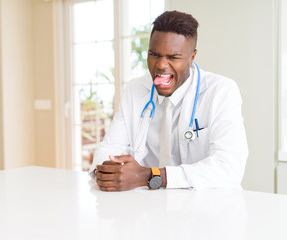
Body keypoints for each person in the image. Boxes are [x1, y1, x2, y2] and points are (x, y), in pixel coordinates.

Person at [89, 10, 248, 191]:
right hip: (147, 207)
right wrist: (109, 171)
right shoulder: (135, 90)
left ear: (192, 57)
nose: (161, 65)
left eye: (173, 57)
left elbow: (229, 168)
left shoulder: (221, 91)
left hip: (205, 209)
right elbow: (108, 150)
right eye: (154, 54)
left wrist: (150, 175)